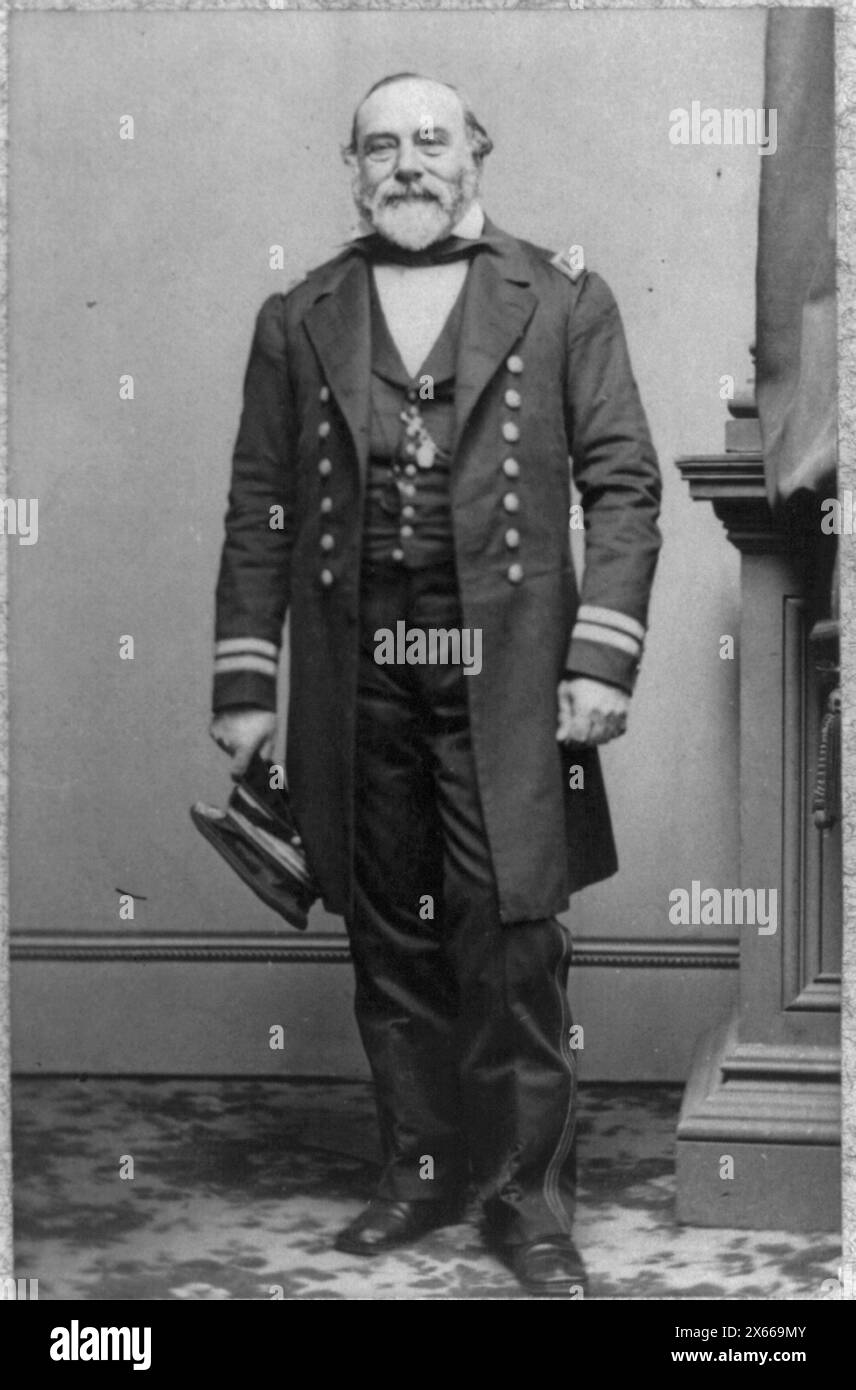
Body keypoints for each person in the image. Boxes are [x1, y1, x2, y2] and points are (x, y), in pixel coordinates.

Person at [209, 71, 662, 1296]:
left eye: (430, 140)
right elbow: (259, 503)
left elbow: (622, 485)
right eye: (380, 146)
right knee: (385, 925)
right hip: (359, 663)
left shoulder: (563, 298)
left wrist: (599, 656)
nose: (407, 163)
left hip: (506, 665)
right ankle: (416, 1171)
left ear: (478, 153)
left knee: (513, 934)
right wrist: (246, 685)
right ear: (351, 167)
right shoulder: (299, 313)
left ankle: (526, 1203)